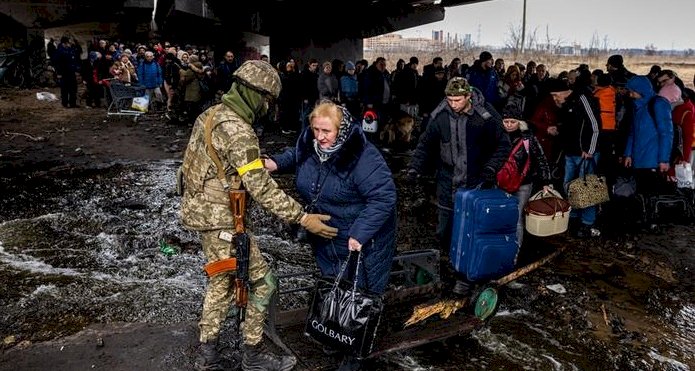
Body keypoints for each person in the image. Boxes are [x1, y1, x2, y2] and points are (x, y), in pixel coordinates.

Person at [179, 60, 338, 371]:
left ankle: (207, 354)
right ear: (255, 94)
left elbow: (197, 166)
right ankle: (252, 353)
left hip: (204, 214)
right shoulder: (238, 130)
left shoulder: (211, 115)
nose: (268, 107)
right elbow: (262, 189)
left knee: (222, 281)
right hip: (222, 219)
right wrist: (303, 218)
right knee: (264, 282)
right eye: (267, 99)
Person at [264, 101, 397, 370]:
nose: (320, 137)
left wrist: (359, 233)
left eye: (327, 131)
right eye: (315, 130)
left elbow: (384, 198)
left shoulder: (362, 156)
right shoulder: (311, 144)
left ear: (343, 128)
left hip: (363, 238)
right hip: (327, 234)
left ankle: (354, 354)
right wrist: (276, 163)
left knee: (359, 295)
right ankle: (333, 335)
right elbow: (297, 156)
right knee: (335, 286)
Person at [407, 77, 510, 295]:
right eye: (450, 99)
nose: (453, 104)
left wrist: (491, 168)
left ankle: (466, 276)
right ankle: (448, 266)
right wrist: (415, 168)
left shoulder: (485, 118)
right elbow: (425, 144)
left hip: (475, 183)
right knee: (445, 230)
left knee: (471, 232)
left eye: (458, 100)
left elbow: (503, 144)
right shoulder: (439, 117)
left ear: (468, 97)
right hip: (447, 182)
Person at [547, 75, 602, 238]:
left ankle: (588, 223)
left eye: (556, 95)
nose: (554, 98)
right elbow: (569, 125)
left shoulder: (583, 98)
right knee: (569, 186)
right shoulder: (565, 104)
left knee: (587, 188)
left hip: (585, 153)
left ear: (564, 92)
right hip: (570, 152)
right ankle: (573, 217)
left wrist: (590, 149)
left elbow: (594, 125)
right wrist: (557, 129)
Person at [501, 104, 552, 246]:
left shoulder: (528, 138)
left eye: (513, 122)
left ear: (520, 122)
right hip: (501, 182)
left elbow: (541, 158)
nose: (509, 125)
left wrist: (545, 182)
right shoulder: (498, 135)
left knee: (517, 218)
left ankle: (515, 249)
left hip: (523, 183)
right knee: (501, 215)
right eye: (506, 122)